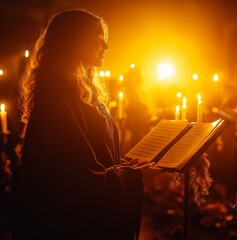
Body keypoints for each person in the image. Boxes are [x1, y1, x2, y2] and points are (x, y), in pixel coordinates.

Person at [15, 9, 161, 239]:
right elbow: (74, 178)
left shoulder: (81, 92)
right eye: (98, 39)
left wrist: (125, 166)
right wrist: (133, 177)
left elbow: (92, 154)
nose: (106, 47)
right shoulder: (59, 98)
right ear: (75, 42)